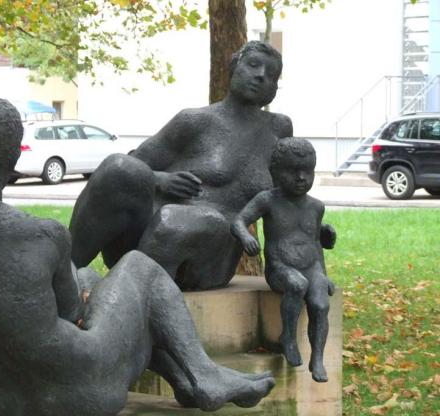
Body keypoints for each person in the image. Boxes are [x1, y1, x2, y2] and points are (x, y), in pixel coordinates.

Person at [0, 98, 275, 416]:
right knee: (139, 269)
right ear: (14, 156)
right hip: (87, 394)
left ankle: (185, 379)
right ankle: (203, 374)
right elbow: (75, 315)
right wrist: (86, 286)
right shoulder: (40, 234)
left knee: (91, 277)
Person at [69, 41, 292, 291]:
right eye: (253, 65)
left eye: (271, 74)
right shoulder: (194, 121)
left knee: (180, 219)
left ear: (274, 88)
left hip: (212, 255)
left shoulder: (278, 130)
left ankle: (129, 295)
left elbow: (290, 197)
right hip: (146, 237)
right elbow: (134, 165)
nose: (261, 75)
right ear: (234, 67)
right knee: (117, 167)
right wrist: (159, 180)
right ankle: (66, 273)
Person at [230, 138, 336, 382]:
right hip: (281, 268)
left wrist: (323, 274)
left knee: (321, 304)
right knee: (297, 284)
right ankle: (287, 336)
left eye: (307, 171)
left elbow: (315, 243)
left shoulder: (316, 207)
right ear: (275, 172)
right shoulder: (267, 200)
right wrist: (245, 237)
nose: (301, 178)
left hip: (311, 267)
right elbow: (238, 221)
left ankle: (317, 358)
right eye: (293, 171)